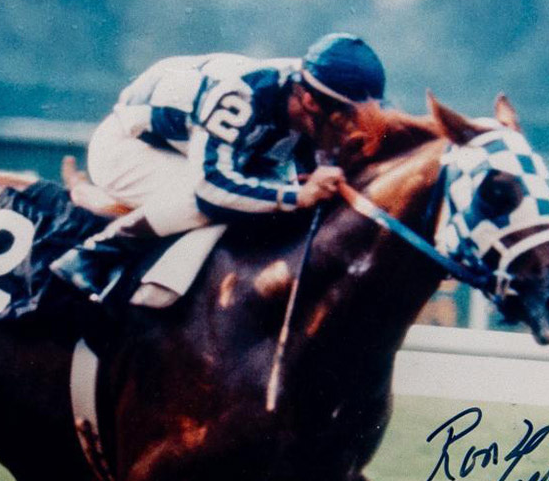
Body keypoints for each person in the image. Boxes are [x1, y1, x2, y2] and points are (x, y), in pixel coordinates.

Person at [49, 32, 384, 302]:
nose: (350, 132)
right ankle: (93, 254)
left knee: (267, 205)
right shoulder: (243, 95)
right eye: (345, 120)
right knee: (214, 203)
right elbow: (212, 188)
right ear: (310, 102)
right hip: (130, 146)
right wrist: (296, 195)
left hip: (194, 152)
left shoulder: (312, 99)